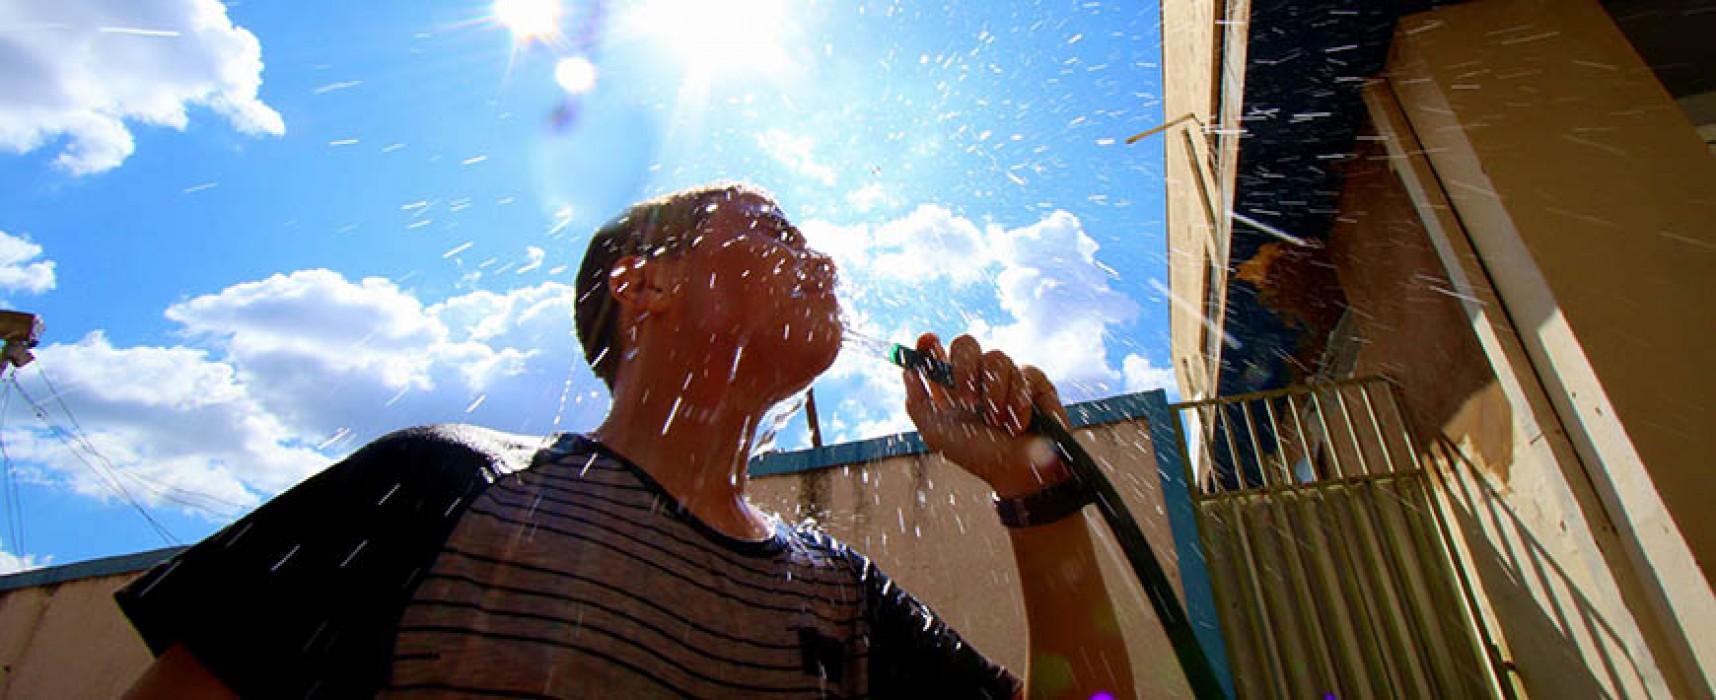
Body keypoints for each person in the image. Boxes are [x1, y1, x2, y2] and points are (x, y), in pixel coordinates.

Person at [117, 183, 1136, 699]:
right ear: (642, 288)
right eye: (773, 228)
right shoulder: (436, 483)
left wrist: (1034, 491)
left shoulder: (840, 595)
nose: (819, 253)